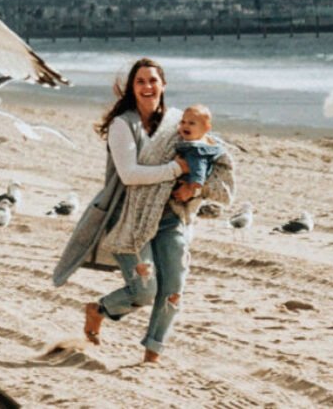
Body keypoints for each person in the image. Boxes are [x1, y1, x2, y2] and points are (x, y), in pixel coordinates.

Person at [52, 58, 235, 363]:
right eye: (140, 81)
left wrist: (197, 186)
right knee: (145, 290)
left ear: (163, 85)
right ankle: (99, 310)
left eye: (153, 80)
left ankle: (152, 354)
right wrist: (176, 168)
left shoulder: (179, 123)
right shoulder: (123, 125)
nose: (148, 87)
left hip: (172, 217)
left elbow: (210, 151)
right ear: (131, 88)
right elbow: (130, 175)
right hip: (129, 218)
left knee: (174, 289)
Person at [171, 104, 224, 225]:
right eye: (183, 122)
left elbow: (199, 165)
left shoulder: (195, 148)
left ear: (206, 128)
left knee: (189, 208)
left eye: (191, 123)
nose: (185, 126)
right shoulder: (206, 142)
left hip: (191, 181)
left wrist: (195, 184)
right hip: (193, 181)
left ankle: (188, 220)